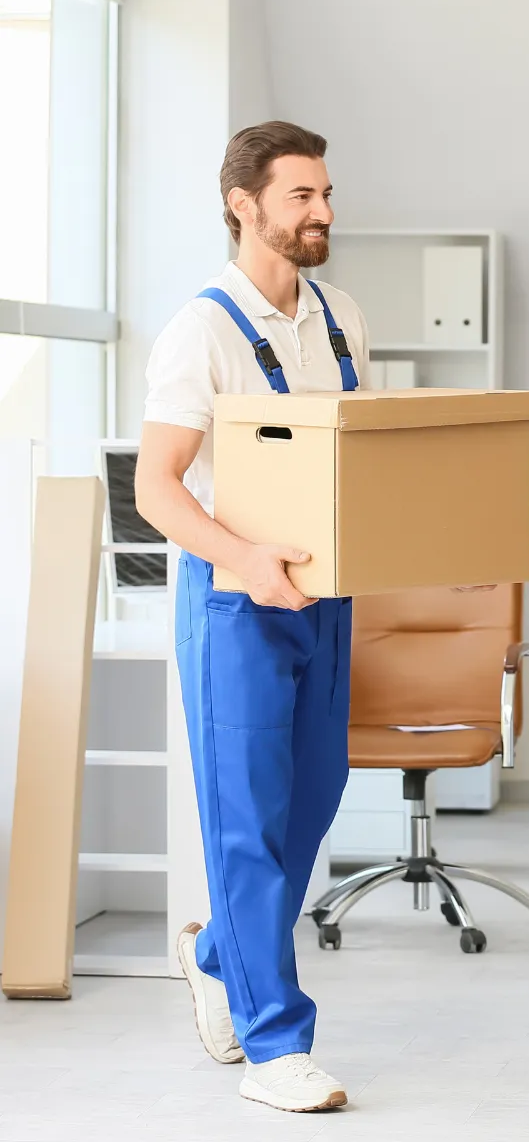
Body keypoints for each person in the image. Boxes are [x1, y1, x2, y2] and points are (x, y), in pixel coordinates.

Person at [135, 121, 371, 1112]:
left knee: (312, 799)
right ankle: (275, 1046)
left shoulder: (340, 316)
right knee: (247, 822)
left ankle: (216, 955)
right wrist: (245, 561)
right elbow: (156, 487)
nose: (322, 211)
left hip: (328, 598)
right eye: (300, 196)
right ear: (243, 205)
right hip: (237, 603)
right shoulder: (203, 330)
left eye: (325, 193)